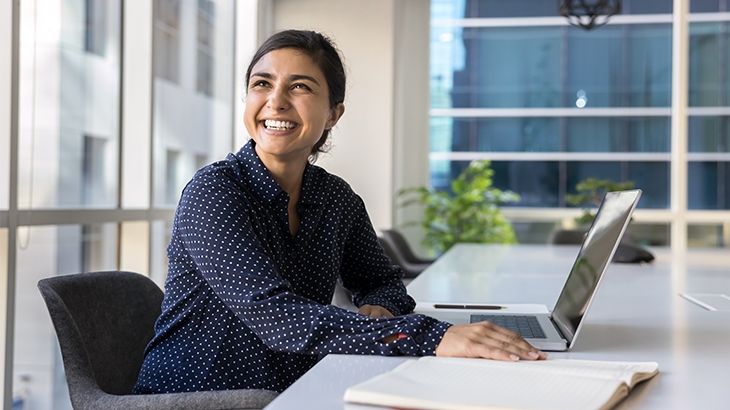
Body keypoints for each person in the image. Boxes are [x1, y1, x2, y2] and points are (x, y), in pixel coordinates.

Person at [133, 29, 546, 396]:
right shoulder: (213, 192)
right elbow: (278, 317)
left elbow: (382, 281)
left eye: (300, 87)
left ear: (334, 113)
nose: (275, 102)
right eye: (262, 84)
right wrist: (432, 336)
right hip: (198, 395)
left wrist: (380, 308)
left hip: (300, 387)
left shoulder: (335, 198)